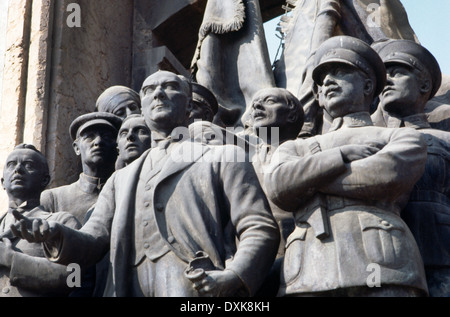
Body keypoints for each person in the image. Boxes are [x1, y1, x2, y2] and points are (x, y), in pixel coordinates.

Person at [12, 70, 280, 297]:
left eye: (170, 87)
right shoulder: (121, 178)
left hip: (197, 288)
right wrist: (55, 234)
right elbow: (94, 237)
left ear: (189, 106)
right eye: (149, 89)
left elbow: (259, 227)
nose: (159, 93)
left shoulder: (225, 156)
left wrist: (235, 276)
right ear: (143, 107)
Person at [264, 36, 429, 297]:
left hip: (382, 263)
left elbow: (387, 175)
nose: (328, 81)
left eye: (340, 72)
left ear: (367, 85)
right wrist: (340, 156)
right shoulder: (294, 147)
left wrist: (308, 181)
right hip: (308, 269)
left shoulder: (399, 137)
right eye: (322, 79)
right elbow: (278, 186)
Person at [372, 39, 450, 297]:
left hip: (439, 254)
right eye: (383, 76)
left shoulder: (445, 140)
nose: (387, 81)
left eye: (397, 73)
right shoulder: (365, 139)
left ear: (424, 85)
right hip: (381, 254)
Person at [246, 87, 304, 296]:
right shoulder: (242, 162)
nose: (257, 106)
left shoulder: (307, 152)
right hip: (249, 263)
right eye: (254, 104)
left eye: (269, 100)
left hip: (296, 256)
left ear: (292, 113)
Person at [0, 144, 81, 297]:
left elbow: (74, 277)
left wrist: (11, 259)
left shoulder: (61, 222)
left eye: (28, 165)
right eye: (11, 165)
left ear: (45, 180)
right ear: (3, 181)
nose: (18, 169)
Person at [40, 112, 122, 225]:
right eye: (89, 137)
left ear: (117, 146)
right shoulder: (53, 199)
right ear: (76, 148)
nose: (98, 142)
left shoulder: (124, 195)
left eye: (107, 137)